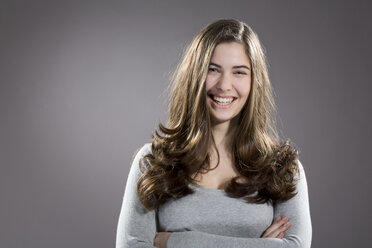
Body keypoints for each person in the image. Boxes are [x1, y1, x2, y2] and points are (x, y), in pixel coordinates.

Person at [116, 19, 312, 248]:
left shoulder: (283, 169)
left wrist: (177, 241)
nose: (225, 85)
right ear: (195, 75)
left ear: (254, 82)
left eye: (239, 72)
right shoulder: (153, 162)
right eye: (213, 70)